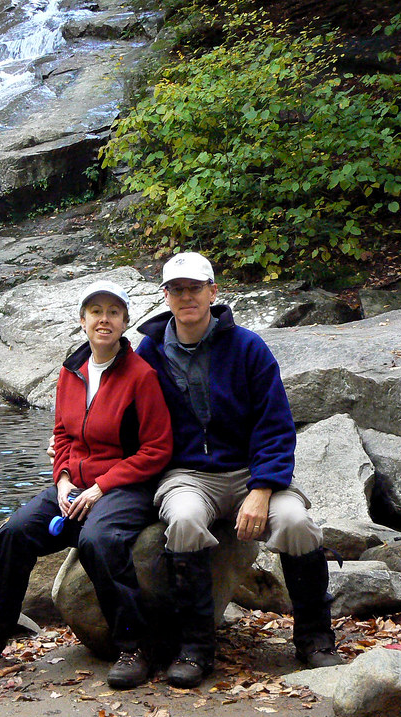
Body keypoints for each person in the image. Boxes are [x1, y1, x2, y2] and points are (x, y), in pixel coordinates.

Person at [0, 280, 173, 690]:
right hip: (74, 486)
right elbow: (63, 436)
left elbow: (157, 449)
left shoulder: (142, 376)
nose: (104, 319)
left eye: (113, 312)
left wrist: (100, 487)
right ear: (82, 320)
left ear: (124, 321)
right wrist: (63, 480)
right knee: (14, 532)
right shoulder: (72, 372)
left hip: (124, 488)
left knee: (98, 542)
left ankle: (135, 646)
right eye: (96, 312)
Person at [135, 251, 343, 689]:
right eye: (177, 289)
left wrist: (263, 487)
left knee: (296, 522)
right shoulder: (149, 353)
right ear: (166, 297)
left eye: (195, 288)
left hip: (251, 470)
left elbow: (277, 425)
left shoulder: (249, 347)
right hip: (188, 474)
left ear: (214, 292)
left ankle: (315, 638)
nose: (186, 297)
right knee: (185, 520)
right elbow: (121, 410)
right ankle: (195, 648)